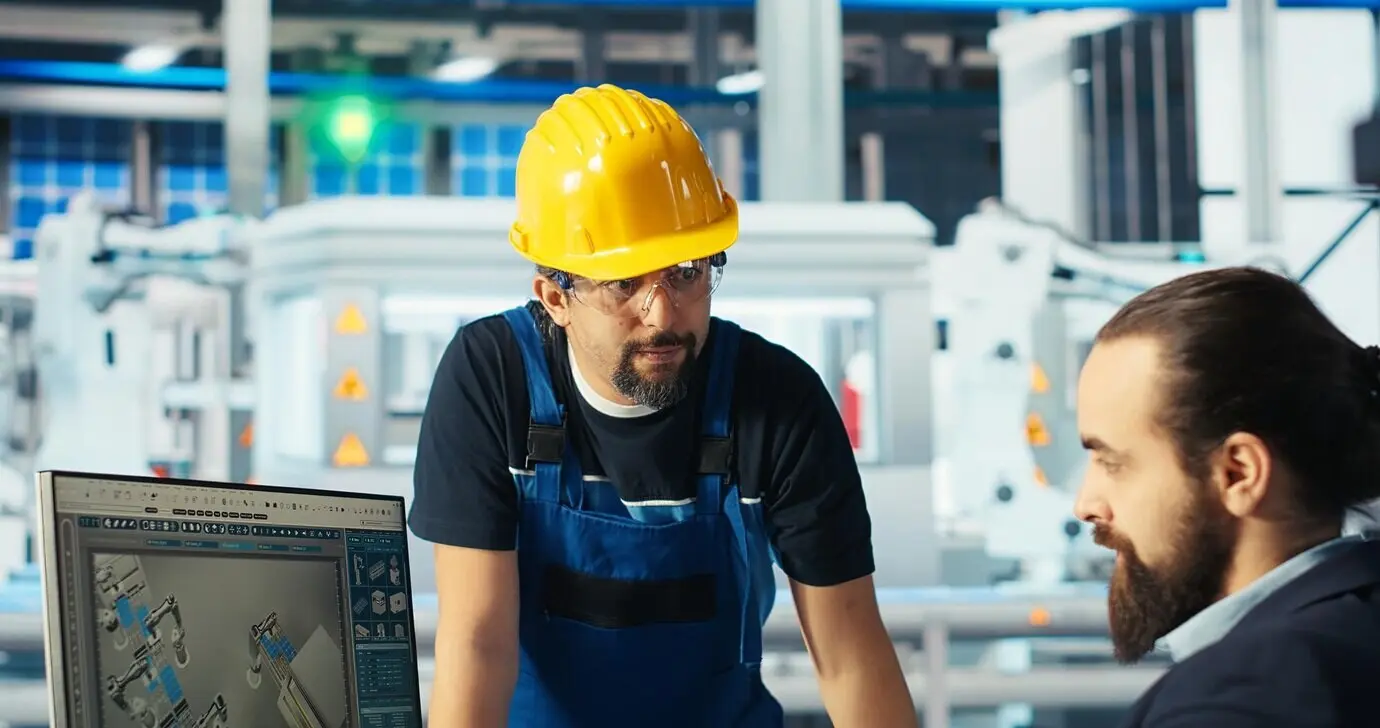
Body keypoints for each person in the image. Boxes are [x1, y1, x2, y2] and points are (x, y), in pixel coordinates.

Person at [410, 84, 916, 728]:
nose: (663, 315)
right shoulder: (492, 378)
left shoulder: (776, 399)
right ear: (554, 297)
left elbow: (850, 659)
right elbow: (478, 645)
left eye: (686, 273)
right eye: (625, 283)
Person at [1073, 266, 1380, 727]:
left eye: (1112, 463)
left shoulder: (1244, 698)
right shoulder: (1351, 633)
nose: (1086, 504)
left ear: (1239, 473)